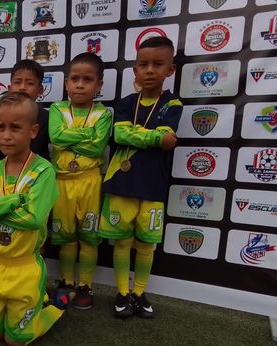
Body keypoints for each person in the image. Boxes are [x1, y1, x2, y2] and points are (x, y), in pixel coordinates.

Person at [0, 92, 66, 346]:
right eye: (0, 128)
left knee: (15, 341)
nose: (6, 135)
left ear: (33, 131)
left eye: (15, 127)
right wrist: (15, 200)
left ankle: (51, 311)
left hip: (24, 267)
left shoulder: (43, 171)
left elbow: (33, 218)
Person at [98, 36, 182, 319]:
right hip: (121, 185)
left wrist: (145, 135)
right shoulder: (125, 103)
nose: (149, 70)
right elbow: (121, 134)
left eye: (157, 64)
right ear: (134, 70)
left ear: (170, 69)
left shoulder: (172, 104)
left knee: (146, 244)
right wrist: (155, 137)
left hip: (153, 186)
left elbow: (168, 139)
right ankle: (122, 292)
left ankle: (139, 292)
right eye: (143, 64)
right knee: (121, 243)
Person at [49, 53, 112, 310]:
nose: (80, 85)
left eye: (88, 80)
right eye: (74, 79)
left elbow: (97, 147)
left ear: (99, 85)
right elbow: (55, 137)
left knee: (88, 236)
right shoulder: (57, 108)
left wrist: (69, 137)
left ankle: (85, 285)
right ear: (66, 83)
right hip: (62, 181)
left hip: (90, 181)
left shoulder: (103, 113)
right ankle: (66, 282)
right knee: (66, 236)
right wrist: (87, 135)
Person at [0, 59, 50, 163]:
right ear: (10, 88)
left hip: (37, 170)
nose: (22, 87)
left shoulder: (47, 117)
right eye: (17, 82)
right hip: (6, 169)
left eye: (30, 83)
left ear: (40, 90)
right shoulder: (2, 114)